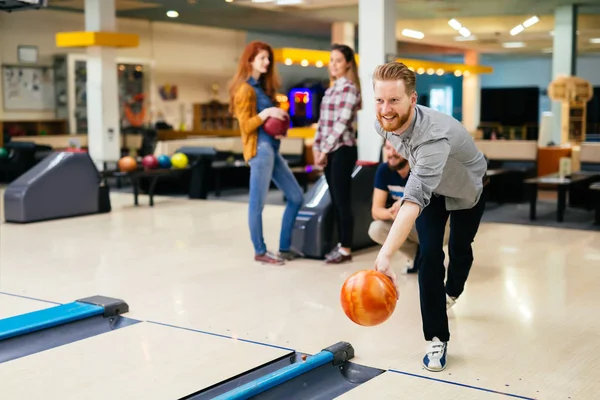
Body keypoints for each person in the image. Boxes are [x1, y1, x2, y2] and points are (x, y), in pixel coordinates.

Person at [371, 61, 488, 372]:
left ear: (413, 99)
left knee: (460, 251)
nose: (385, 109)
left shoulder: (434, 136)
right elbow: (415, 178)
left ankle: (454, 290)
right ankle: (437, 337)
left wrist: (385, 254)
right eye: (379, 100)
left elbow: (412, 201)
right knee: (429, 255)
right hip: (432, 190)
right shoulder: (382, 122)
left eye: (394, 100)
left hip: (466, 190)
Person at [228, 41, 304, 265]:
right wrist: (268, 112)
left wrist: (278, 130)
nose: (267, 62)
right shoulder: (245, 89)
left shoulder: (261, 87)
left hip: (271, 147)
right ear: (250, 60)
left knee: (296, 196)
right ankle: (260, 251)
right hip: (259, 151)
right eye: (262, 58)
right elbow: (246, 126)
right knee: (257, 203)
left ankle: (284, 247)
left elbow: (267, 124)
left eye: (268, 58)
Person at [312, 44, 362, 264]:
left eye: (338, 60)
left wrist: (325, 149)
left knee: (342, 201)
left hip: (343, 150)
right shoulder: (330, 90)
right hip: (329, 151)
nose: (333, 64)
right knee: (334, 199)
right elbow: (322, 123)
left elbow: (341, 123)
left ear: (348, 64)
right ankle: (338, 244)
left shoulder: (349, 89)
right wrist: (317, 147)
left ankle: (346, 249)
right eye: (331, 60)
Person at [369, 141, 450, 274]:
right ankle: (417, 255)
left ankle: (430, 254)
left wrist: (404, 203)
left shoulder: (421, 169)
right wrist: (391, 213)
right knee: (376, 229)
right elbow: (376, 211)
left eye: (396, 149)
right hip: (410, 227)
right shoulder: (383, 171)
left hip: (436, 225)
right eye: (388, 148)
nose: (391, 153)